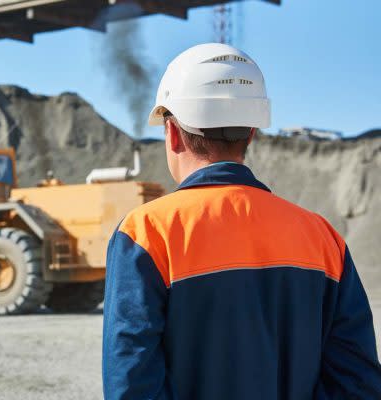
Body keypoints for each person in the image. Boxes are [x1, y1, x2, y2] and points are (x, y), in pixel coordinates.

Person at [102, 43, 381, 400]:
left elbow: (131, 384)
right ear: (251, 133)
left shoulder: (146, 233)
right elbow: (356, 382)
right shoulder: (323, 238)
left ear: (172, 133)